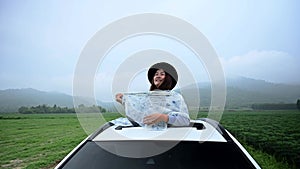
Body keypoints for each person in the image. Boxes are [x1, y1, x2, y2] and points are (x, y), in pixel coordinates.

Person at [115, 62, 190, 126]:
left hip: (167, 135)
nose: (158, 76)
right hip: (145, 133)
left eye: (162, 74)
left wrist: (163, 117)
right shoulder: (148, 97)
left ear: (168, 78)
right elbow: (139, 112)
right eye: (156, 74)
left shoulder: (176, 97)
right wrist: (123, 100)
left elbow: (185, 120)